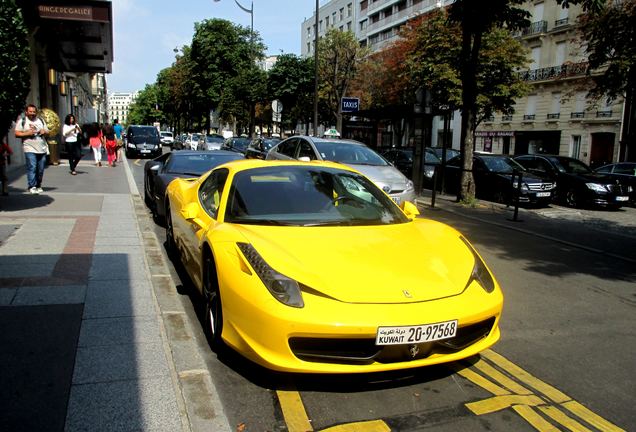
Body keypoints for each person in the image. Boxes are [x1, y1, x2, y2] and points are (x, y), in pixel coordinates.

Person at [14, 104, 49, 194]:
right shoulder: (23, 121)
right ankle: (32, 186)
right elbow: (17, 134)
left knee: (40, 169)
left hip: (42, 148)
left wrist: (44, 131)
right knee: (32, 167)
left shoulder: (41, 120)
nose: (32, 113)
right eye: (30, 112)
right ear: (26, 112)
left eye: (34, 112)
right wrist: (27, 133)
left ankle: (38, 185)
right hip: (29, 147)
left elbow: (47, 132)